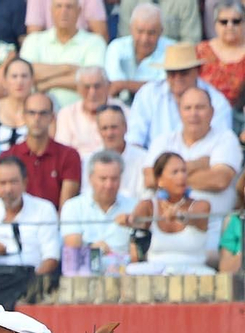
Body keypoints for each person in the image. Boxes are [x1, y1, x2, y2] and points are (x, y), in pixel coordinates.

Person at [145, 86, 240, 244]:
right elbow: (149, 178)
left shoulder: (226, 139)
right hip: (163, 230)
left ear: (212, 112)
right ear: (179, 111)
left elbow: (219, 180)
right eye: (187, 108)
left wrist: (168, 176)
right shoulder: (163, 140)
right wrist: (198, 164)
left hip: (211, 231)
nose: (193, 114)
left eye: (200, 107)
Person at [0, 154, 61, 273]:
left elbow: (51, 257)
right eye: (2, 183)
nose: (8, 189)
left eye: (13, 182)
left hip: (32, 280)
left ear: (25, 183)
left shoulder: (44, 209)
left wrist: (31, 285)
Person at [127, 42, 232, 148]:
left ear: (196, 71)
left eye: (183, 72)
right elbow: (134, 139)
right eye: (172, 73)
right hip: (153, 161)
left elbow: (222, 144)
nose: (177, 77)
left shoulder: (217, 101)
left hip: (202, 160)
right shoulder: (148, 94)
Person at [127, 151, 213, 274]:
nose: (182, 176)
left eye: (184, 171)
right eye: (175, 172)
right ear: (160, 180)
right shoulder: (148, 206)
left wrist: (179, 216)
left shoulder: (201, 205)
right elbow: (134, 227)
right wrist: (127, 220)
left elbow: (195, 218)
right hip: (156, 272)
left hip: (194, 271)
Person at [18, 0, 106, 109]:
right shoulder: (33, 40)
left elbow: (92, 80)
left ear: (79, 11)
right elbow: (25, 73)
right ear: (51, 11)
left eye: (69, 7)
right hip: (39, 114)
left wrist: (48, 84)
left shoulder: (95, 42)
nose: (63, 11)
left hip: (78, 115)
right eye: (59, 6)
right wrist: (68, 68)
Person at [60, 150, 134, 275]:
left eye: (114, 179)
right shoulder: (73, 206)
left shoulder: (133, 206)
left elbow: (138, 252)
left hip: (125, 277)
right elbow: (72, 250)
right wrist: (92, 249)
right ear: (90, 178)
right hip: (84, 277)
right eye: (103, 179)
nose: (109, 185)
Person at [2, 92, 81, 206]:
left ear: (52, 117)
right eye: (31, 113)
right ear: (23, 116)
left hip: (55, 222)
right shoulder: (8, 156)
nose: (37, 118)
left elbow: (66, 208)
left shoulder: (69, 155)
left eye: (43, 113)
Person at [105, 2, 173, 101]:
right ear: (131, 29)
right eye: (140, 31)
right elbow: (113, 84)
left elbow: (164, 89)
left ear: (161, 31)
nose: (144, 39)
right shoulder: (116, 47)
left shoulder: (172, 50)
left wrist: (124, 84)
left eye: (151, 33)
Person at [55, 67, 119, 157]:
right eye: (87, 87)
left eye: (97, 86)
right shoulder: (66, 114)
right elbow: (62, 152)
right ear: (78, 89)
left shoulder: (124, 113)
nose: (92, 93)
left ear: (108, 86)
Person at [98, 101, 150, 204]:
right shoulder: (89, 160)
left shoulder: (144, 159)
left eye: (114, 127)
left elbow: (147, 198)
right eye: (104, 128)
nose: (109, 133)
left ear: (125, 127)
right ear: (98, 131)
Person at [0, 54, 34, 149]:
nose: (19, 81)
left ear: (32, 80)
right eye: (14, 76)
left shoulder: (41, 109)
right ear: (5, 81)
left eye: (24, 76)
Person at [198, 0, 245, 111]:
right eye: (224, 22)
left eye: (236, 21)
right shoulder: (201, 51)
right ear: (215, 24)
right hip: (202, 115)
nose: (230, 26)